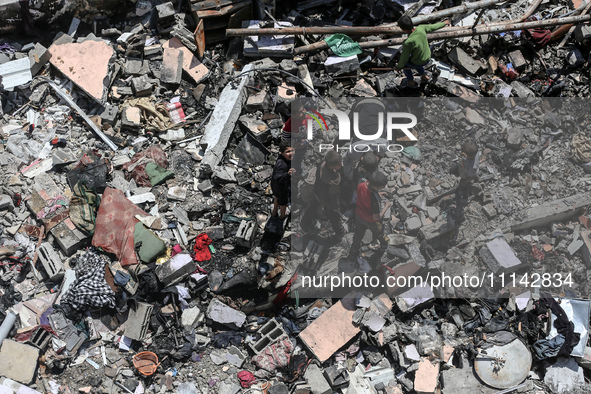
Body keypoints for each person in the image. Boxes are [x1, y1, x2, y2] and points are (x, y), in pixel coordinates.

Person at [348, 172, 392, 273]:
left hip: (359, 215)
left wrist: (377, 193)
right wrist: (386, 207)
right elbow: (376, 217)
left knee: (359, 233)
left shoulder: (361, 183)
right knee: (379, 232)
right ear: (376, 187)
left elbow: (364, 193)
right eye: (381, 188)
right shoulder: (375, 201)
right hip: (371, 221)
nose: (383, 188)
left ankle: (354, 249)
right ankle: (384, 245)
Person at [395, 16, 450, 88]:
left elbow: (404, 58)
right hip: (427, 58)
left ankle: (411, 82)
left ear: (403, 29)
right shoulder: (421, 28)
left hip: (419, 61)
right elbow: (433, 27)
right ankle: (424, 77)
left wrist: (399, 67)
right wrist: (444, 23)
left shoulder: (408, 42)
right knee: (417, 60)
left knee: (406, 65)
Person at [301, 150, 345, 238]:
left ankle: (304, 222)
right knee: (334, 216)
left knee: (312, 206)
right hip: (326, 200)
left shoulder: (322, 163)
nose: (341, 164)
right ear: (333, 166)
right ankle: (340, 231)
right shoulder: (334, 180)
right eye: (339, 163)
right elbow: (334, 196)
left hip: (317, 191)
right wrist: (336, 208)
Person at [271, 141, 295, 219]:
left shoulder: (285, 159)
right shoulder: (281, 164)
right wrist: (288, 174)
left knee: (277, 197)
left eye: (292, 150)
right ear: (281, 153)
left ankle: (274, 212)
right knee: (283, 203)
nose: (291, 153)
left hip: (276, 186)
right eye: (288, 151)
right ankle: (282, 215)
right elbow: (277, 177)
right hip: (281, 187)